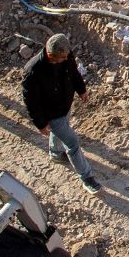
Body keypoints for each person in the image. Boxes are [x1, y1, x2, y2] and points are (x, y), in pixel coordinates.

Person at [22, 34, 99, 194]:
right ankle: (87, 177)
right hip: (51, 112)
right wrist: (41, 123)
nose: (66, 59)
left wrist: (81, 89)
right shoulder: (33, 71)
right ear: (51, 55)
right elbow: (31, 101)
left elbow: (73, 72)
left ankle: (55, 153)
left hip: (65, 104)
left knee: (61, 129)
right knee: (72, 143)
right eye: (62, 58)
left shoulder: (65, 55)